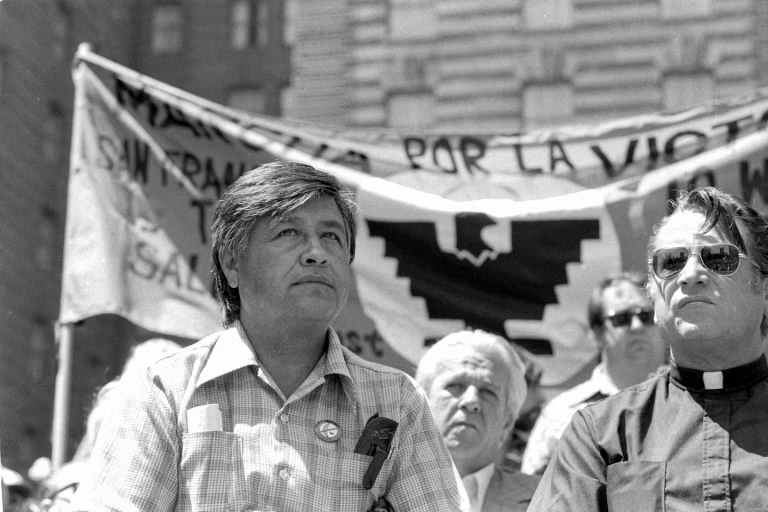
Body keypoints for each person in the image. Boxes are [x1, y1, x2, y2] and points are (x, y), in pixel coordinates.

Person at [72, 161, 468, 511]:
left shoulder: (397, 402)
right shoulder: (165, 390)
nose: (317, 253)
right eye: (288, 233)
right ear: (232, 264)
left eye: (332, 236)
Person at [529, 186, 768, 510]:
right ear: (654, 296)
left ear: (763, 286)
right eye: (672, 262)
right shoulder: (599, 434)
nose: (691, 275)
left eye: (718, 258)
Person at [520, 272, 668, 475]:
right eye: (621, 319)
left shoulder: (692, 402)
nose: (637, 326)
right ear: (596, 333)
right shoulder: (563, 415)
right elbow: (532, 494)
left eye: (646, 316)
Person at [415, 330, 540, 512]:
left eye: (488, 392)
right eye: (455, 385)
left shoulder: (545, 499)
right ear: (420, 405)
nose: (471, 401)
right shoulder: (373, 489)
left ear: (507, 422)